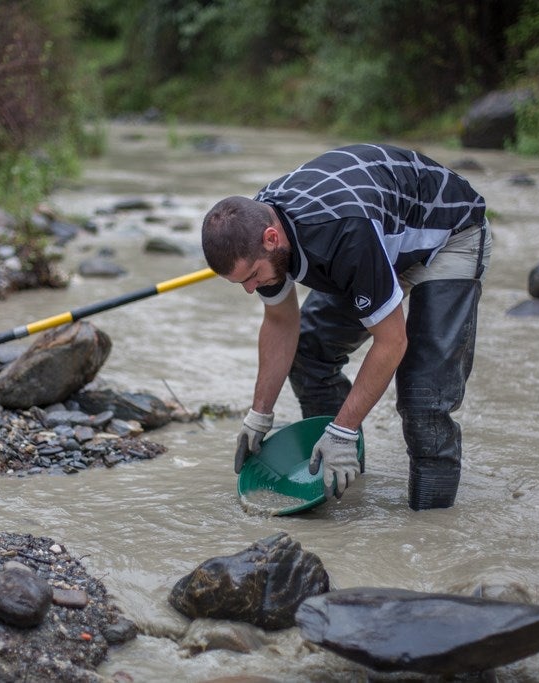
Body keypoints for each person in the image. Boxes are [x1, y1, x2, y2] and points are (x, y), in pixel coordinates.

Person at [201, 143, 491, 510]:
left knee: (424, 398)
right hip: (380, 236)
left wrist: (344, 430)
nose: (249, 289)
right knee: (310, 351)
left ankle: (430, 528)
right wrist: (260, 414)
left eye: (252, 276)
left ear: (272, 239)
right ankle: (340, 481)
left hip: (448, 234)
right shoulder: (258, 227)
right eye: (240, 282)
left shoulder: (342, 234)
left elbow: (391, 342)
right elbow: (280, 321)